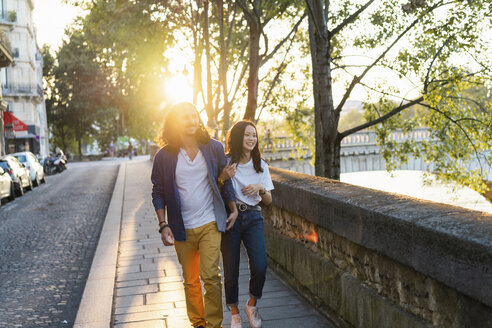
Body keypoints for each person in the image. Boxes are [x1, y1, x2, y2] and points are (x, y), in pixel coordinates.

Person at [151, 102, 238, 328]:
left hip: (210, 221)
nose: (191, 121)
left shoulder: (214, 148)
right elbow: (158, 192)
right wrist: (163, 225)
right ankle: (198, 323)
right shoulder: (164, 156)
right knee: (191, 281)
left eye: (194, 116)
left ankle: (214, 324)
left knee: (211, 276)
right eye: (184, 117)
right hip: (181, 227)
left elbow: (224, 179)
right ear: (174, 123)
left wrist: (233, 208)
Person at [219, 120, 274, 328]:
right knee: (231, 270)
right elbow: (216, 188)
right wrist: (223, 177)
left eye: (254, 135)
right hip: (231, 219)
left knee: (260, 266)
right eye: (247, 135)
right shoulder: (226, 163)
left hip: (253, 218)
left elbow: (268, 201)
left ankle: (251, 304)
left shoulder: (261, 165)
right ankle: (234, 313)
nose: (252, 138)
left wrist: (261, 188)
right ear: (237, 137)